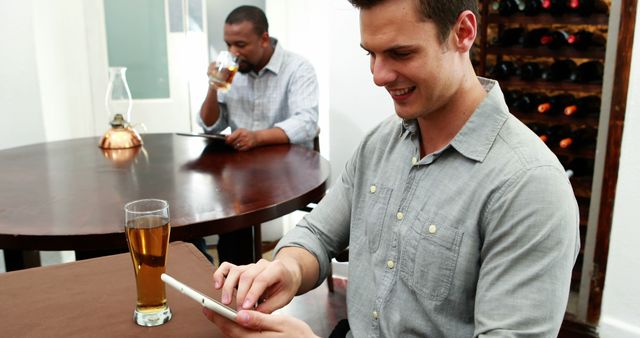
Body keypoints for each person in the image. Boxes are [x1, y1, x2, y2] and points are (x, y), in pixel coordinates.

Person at [203, 0, 581, 337]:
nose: (378, 76)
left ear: (463, 33)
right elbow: (317, 233)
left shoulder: (529, 187)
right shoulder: (380, 144)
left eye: (400, 53)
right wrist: (286, 269)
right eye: (371, 53)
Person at [198, 5, 320, 265]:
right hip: (244, 171)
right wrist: (212, 86)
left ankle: (246, 279)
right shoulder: (232, 71)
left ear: (264, 39)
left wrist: (257, 137)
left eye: (240, 44)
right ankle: (234, 279)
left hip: (287, 168)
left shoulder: (298, 68)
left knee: (236, 207)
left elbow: (306, 122)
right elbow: (210, 126)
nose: (233, 53)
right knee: (224, 203)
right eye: (228, 44)